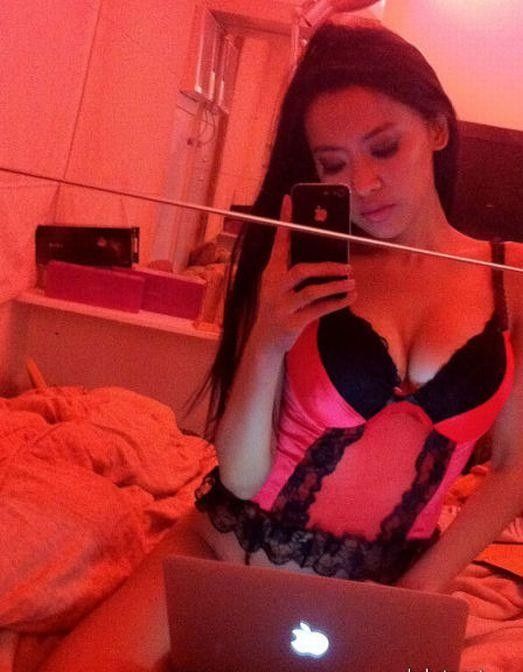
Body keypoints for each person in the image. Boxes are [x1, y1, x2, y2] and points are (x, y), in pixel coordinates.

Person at [40, 16, 523, 672]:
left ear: (437, 127)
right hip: (231, 552)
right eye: (334, 164)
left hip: (387, 592)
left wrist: (420, 590)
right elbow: (242, 475)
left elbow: (511, 468)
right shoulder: (299, 265)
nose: (362, 184)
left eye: (384, 148)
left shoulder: (510, 280)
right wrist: (268, 338)